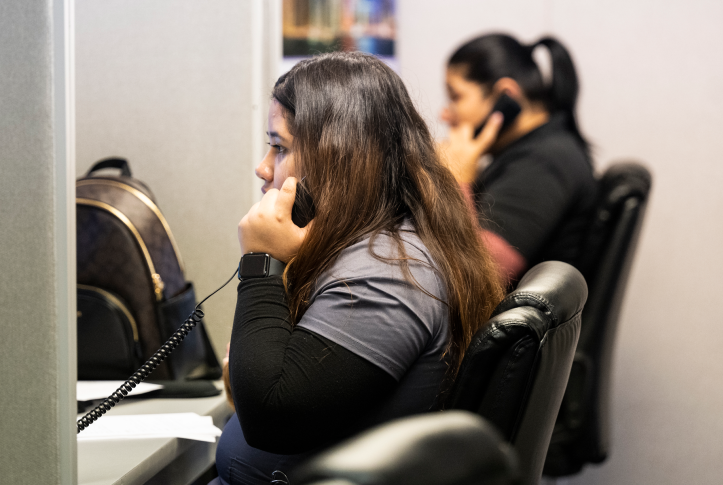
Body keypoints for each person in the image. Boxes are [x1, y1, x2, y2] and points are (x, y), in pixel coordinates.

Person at [213, 52, 504, 485]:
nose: (263, 167)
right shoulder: (377, 248)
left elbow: (272, 419)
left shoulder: (387, 273)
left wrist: (262, 262)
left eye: (280, 147)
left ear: (340, 159)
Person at [439, 33, 597, 283]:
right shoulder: (531, 152)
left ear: (507, 96)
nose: (445, 115)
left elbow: (486, 275)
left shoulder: (545, 162)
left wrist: (456, 180)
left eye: (456, 97)